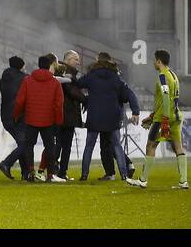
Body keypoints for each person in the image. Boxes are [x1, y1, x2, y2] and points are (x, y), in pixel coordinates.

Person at [76, 53, 140, 182]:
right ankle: (124, 175)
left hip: (95, 116)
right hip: (112, 117)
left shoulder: (91, 75)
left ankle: (84, 175)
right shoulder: (116, 77)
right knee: (117, 146)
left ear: (97, 61)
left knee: (89, 146)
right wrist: (135, 111)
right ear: (110, 62)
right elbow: (130, 94)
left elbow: (78, 84)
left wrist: (86, 100)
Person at [129, 49, 186, 190]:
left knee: (151, 145)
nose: (154, 63)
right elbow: (169, 99)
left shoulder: (162, 76)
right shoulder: (173, 75)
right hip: (176, 116)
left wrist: (163, 120)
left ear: (159, 61)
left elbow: (166, 98)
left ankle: (142, 180)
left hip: (164, 118)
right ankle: (183, 181)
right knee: (178, 147)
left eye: (154, 60)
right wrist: (153, 115)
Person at [13, 54, 64, 184]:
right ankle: (50, 174)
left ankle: (31, 172)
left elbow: (20, 101)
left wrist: (16, 114)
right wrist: (59, 121)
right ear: (49, 66)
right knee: (50, 146)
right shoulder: (55, 82)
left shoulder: (28, 80)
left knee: (29, 145)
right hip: (48, 120)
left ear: (38, 64)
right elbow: (59, 104)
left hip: (31, 119)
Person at [54, 50, 86, 179]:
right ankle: (59, 172)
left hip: (64, 114)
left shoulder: (63, 71)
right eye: (75, 59)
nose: (78, 62)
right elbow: (71, 91)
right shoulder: (65, 72)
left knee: (61, 144)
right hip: (66, 114)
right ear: (68, 59)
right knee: (63, 145)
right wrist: (85, 100)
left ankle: (57, 171)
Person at [0, 56, 29, 180]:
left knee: (22, 143)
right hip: (18, 116)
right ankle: (6, 163)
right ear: (20, 66)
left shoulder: (4, 78)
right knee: (25, 143)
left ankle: (25, 173)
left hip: (5, 116)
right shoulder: (23, 78)